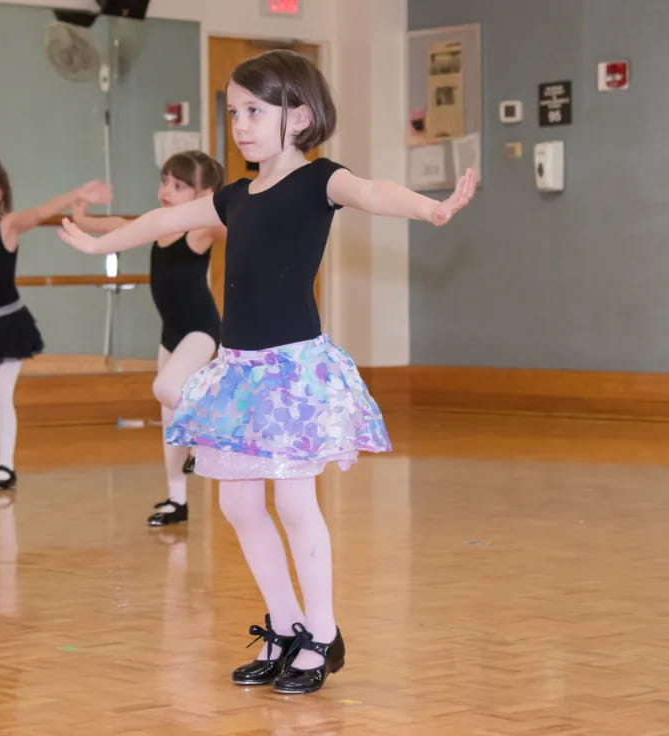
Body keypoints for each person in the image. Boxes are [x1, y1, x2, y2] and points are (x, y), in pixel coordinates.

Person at [60, 49, 476, 694]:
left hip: (293, 373)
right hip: (239, 372)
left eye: (255, 110)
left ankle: (322, 633)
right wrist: (96, 243)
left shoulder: (319, 182)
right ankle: (283, 626)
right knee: (237, 503)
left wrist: (430, 208)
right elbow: (162, 220)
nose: (241, 124)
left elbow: (372, 193)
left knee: (292, 500)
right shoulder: (233, 198)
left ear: (301, 114)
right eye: (233, 112)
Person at [0, 156, 110, 491]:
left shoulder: (7, 226)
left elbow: (43, 211)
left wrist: (78, 193)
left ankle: (5, 466)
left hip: (9, 325)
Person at [71, 150, 223, 526]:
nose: (166, 190)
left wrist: (223, 205)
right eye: (164, 182)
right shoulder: (157, 225)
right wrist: (84, 219)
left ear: (202, 195)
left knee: (166, 387)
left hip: (201, 330)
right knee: (170, 417)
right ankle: (177, 500)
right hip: (169, 333)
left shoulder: (199, 230)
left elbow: (229, 222)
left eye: (179, 186)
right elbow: (122, 225)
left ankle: (209, 437)